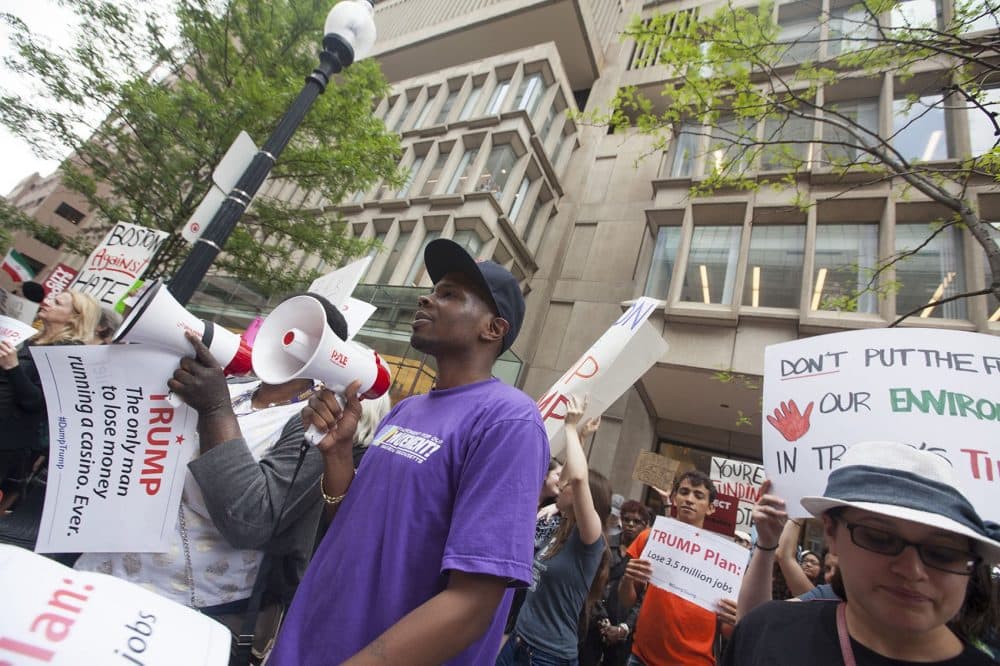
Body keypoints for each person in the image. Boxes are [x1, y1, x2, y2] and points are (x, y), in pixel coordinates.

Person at [270, 238, 550, 665]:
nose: (427, 296)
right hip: (308, 643)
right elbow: (352, 526)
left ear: (494, 329)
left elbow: (472, 606)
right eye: (434, 289)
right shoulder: (406, 410)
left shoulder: (510, 420)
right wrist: (339, 454)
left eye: (450, 294)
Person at [76, 293, 350, 651]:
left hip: (189, 604)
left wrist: (215, 409)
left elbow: (251, 520)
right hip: (105, 569)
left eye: (303, 334)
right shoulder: (234, 388)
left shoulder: (314, 425)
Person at [723, 441, 1000, 666]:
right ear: (831, 533)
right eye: (880, 538)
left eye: (943, 552)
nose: (912, 570)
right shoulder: (767, 633)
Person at [498, 394, 609, 665]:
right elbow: (575, 476)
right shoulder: (559, 525)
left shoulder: (589, 540)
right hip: (518, 641)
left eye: (566, 484)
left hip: (548, 656)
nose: (560, 483)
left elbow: (579, 478)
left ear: (584, 498)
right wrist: (581, 436)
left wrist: (570, 427)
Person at [619, 470, 738, 666]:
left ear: (710, 508)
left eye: (698, 495)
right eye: (684, 492)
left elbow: (727, 631)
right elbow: (626, 601)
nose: (689, 499)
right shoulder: (650, 538)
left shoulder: (724, 559)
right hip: (641, 658)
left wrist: (736, 618)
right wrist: (627, 579)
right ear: (674, 498)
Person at [0, 289, 100, 517]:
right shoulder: (35, 339)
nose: (48, 302)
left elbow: (38, 402)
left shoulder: (69, 352)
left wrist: (13, 368)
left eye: (57, 302)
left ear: (75, 317)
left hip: (7, 441)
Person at [580, 500, 650, 666]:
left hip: (624, 629)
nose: (630, 524)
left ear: (645, 525)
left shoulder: (649, 556)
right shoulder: (605, 543)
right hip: (594, 621)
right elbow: (592, 583)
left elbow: (644, 598)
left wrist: (624, 628)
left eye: (636, 521)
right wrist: (602, 620)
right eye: (626, 519)